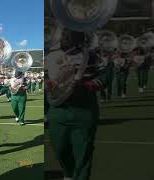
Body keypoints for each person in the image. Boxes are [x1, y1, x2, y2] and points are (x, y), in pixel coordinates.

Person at [48, 31, 108, 180]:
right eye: (63, 36)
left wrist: (89, 85)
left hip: (84, 110)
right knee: (60, 149)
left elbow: (105, 73)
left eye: (69, 37)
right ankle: (69, 174)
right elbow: (44, 76)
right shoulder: (52, 55)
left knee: (83, 153)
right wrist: (47, 84)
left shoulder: (92, 56)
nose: (65, 39)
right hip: (58, 110)